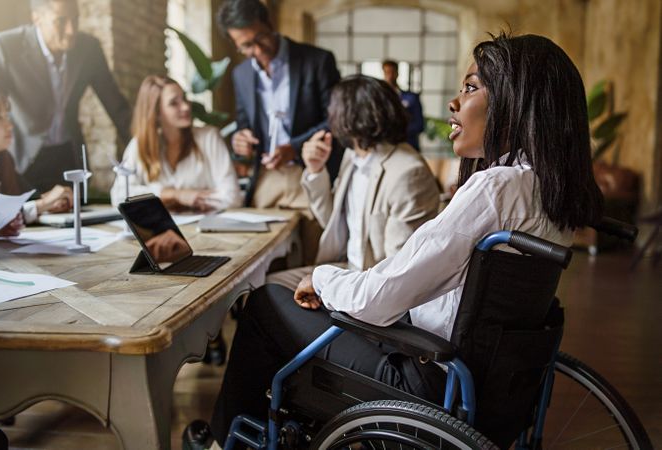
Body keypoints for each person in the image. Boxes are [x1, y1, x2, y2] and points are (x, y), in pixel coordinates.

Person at [203, 32, 604, 447]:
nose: (454, 102)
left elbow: (383, 296)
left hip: (426, 380)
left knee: (267, 303)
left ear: (516, 101)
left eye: (470, 87)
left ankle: (225, 440)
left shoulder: (496, 187)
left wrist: (322, 279)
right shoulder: (548, 192)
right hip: (495, 388)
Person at [267, 75, 440, 290]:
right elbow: (332, 222)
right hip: (345, 268)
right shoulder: (353, 155)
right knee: (266, 285)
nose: (329, 115)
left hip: (369, 286)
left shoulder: (407, 172)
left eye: (333, 108)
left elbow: (396, 275)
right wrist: (315, 169)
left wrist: (332, 287)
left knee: (267, 299)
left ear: (349, 116)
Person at [216, 0, 342, 248]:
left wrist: (293, 148)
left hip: (311, 173)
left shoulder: (317, 61)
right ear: (235, 44)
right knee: (254, 249)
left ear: (270, 24)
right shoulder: (240, 74)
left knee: (315, 247)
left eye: (260, 38)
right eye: (246, 46)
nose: (258, 50)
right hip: (266, 177)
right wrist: (241, 139)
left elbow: (336, 121)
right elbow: (244, 122)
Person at [0, 0, 132, 195]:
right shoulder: (5, 46)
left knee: (77, 218)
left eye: (75, 19)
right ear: (36, 18)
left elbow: (117, 107)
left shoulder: (89, 49)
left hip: (69, 158)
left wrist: (144, 150)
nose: (71, 30)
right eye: (61, 21)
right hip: (23, 161)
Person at [110, 76, 242, 211]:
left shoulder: (209, 138)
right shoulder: (139, 145)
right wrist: (174, 194)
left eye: (184, 98)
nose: (185, 106)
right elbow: (119, 196)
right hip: (162, 229)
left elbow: (232, 197)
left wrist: (172, 201)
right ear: (156, 113)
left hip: (205, 228)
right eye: (174, 103)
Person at [0, 90, 72, 228]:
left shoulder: (3, 160)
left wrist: (52, 203)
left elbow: (29, 198)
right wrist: (42, 205)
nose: (9, 125)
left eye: (7, 116)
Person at [382, 59, 425, 151]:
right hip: (385, 149)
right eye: (387, 72)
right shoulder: (378, 99)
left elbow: (419, 124)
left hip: (409, 146)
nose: (390, 76)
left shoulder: (412, 98)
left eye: (392, 72)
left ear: (397, 73)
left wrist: (397, 132)